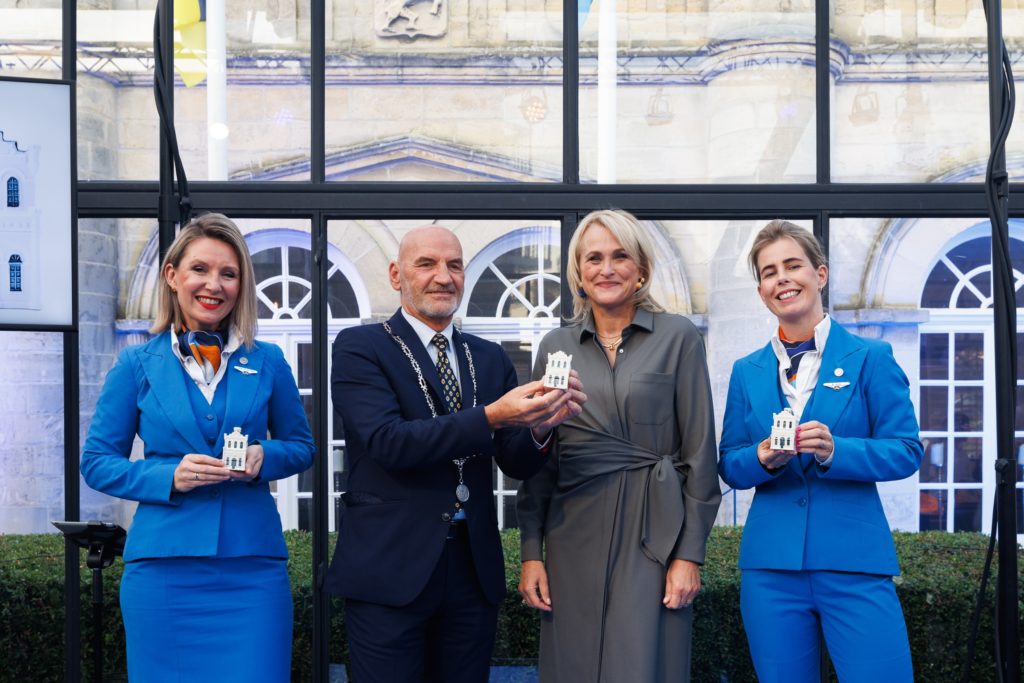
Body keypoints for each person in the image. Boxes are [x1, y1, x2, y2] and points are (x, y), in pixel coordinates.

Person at [324, 225, 585, 683]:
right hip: (389, 571)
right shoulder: (360, 348)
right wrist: (491, 416)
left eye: (454, 265)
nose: (443, 277)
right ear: (395, 274)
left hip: (470, 569)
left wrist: (541, 428)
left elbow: (516, 461)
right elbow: (390, 441)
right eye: (426, 264)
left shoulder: (488, 357)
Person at [80, 213, 315, 682]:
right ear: (172, 275)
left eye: (229, 274)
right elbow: (97, 462)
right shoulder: (136, 364)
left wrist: (265, 456)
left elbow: (302, 446)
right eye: (200, 270)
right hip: (163, 571)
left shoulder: (267, 360)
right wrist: (168, 476)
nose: (214, 284)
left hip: (252, 569)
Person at [516, 209, 721, 682]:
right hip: (573, 533)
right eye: (594, 258)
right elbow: (539, 460)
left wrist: (689, 555)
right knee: (574, 666)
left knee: (647, 665)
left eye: (619, 256)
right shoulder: (555, 346)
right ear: (579, 274)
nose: (606, 268)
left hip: (655, 534)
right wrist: (532, 553)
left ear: (641, 269)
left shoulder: (679, 337)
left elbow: (699, 455)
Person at [718, 220, 922, 682]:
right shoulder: (745, 370)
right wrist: (761, 459)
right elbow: (729, 461)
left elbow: (906, 450)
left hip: (854, 560)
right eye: (769, 272)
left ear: (821, 275)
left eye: (793, 265)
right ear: (761, 291)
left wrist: (836, 451)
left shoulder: (871, 356)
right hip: (770, 567)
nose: (782, 278)